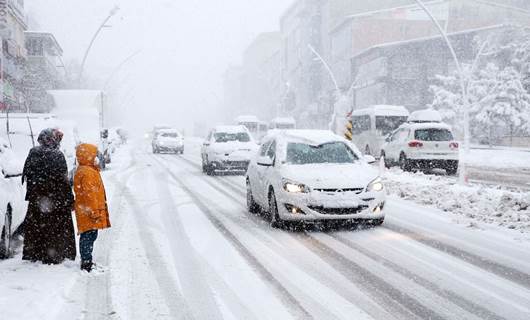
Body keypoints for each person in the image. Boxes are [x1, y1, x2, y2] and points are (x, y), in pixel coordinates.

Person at [21, 128, 76, 264]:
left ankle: (34, 253)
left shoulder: (33, 152)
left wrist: (35, 192)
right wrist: (69, 199)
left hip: (36, 199)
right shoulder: (57, 155)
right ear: (53, 140)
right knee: (53, 229)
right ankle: (51, 255)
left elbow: (27, 175)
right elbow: (63, 181)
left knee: (36, 226)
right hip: (55, 200)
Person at [73, 143, 111, 272]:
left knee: (90, 236)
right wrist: (94, 212)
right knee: (88, 237)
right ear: (87, 156)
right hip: (88, 211)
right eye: (94, 155)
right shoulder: (87, 172)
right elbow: (90, 195)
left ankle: (87, 260)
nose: (97, 158)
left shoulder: (89, 170)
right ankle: (86, 263)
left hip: (87, 210)